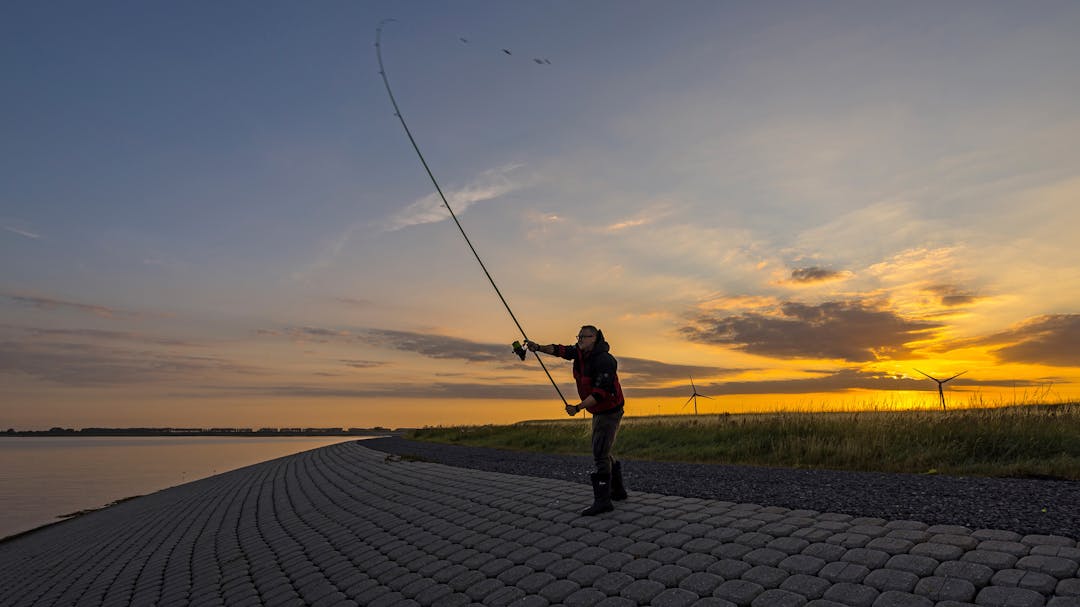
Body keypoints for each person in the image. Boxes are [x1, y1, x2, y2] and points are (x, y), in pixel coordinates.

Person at [526, 326, 627, 515]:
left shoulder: (605, 360)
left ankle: (604, 502)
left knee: (600, 453)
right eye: (578, 336)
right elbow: (559, 350)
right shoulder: (580, 353)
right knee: (603, 449)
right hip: (597, 409)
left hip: (609, 410)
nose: (579, 339)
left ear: (594, 338)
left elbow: (600, 394)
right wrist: (537, 347)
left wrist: (577, 408)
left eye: (584, 336)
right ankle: (618, 491)